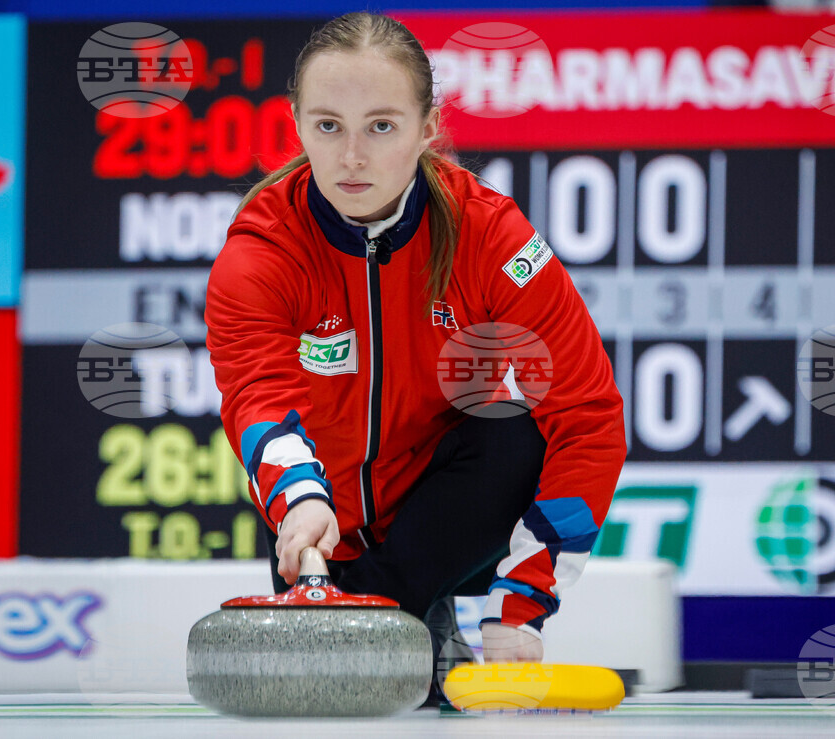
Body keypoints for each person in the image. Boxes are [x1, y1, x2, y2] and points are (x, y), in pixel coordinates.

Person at [205, 12, 626, 685]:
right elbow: (259, 401)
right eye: (327, 125)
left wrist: (522, 606)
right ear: (296, 123)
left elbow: (588, 414)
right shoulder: (259, 255)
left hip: (453, 520)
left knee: (516, 434)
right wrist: (301, 503)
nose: (351, 157)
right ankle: (381, 621)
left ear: (428, 127)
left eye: (381, 125)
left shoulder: (495, 239)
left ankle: (400, 611)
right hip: (316, 528)